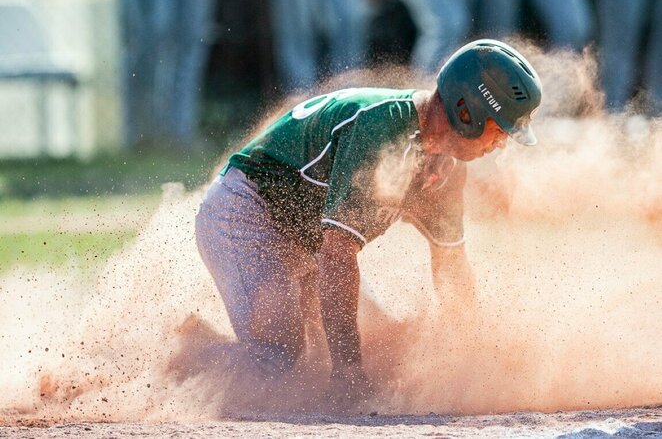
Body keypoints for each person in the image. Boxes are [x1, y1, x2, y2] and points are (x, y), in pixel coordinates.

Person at [195, 39, 543, 401]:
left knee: (383, 342)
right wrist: (347, 368)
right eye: (500, 127)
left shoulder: (446, 167)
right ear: (466, 111)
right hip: (247, 211)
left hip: (304, 238)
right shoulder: (380, 130)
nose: (502, 143)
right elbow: (337, 256)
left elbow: (451, 266)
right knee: (279, 352)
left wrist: (473, 361)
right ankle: (185, 364)